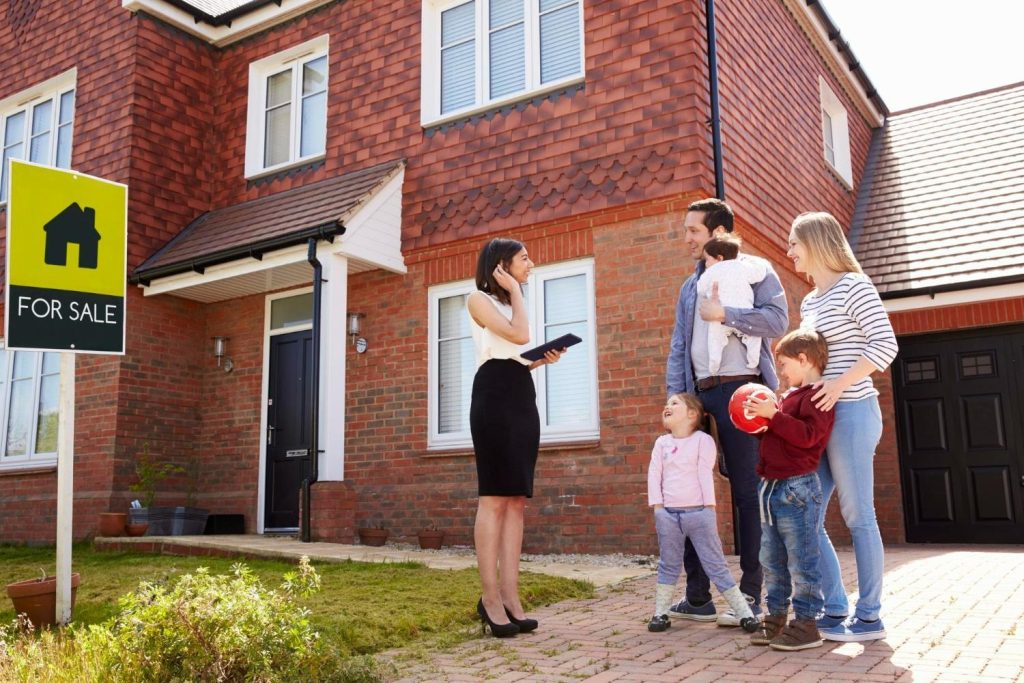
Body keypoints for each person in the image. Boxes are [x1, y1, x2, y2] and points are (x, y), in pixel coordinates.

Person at [666, 198, 789, 626]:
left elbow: (777, 321)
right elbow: (680, 344)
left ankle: (753, 592)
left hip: (742, 390)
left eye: (693, 231)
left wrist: (727, 314)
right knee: (690, 495)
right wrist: (677, 400)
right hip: (699, 396)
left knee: (746, 493)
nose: (687, 239)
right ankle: (697, 595)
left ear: (717, 233)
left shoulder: (756, 271)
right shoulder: (688, 286)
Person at [786, 212, 898, 643]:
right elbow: (814, 364)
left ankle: (869, 615)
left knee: (857, 515)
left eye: (795, 243)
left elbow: (884, 345)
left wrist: (838, 385)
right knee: (806, 515)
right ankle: (835, 607)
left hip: (852, 411)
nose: (791, 251)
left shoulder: (855, 286)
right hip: (819, 418)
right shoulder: (810, 301)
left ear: (815, 242)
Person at [467, 237, 565, 638]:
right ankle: (489, 598)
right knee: (493, 497)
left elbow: (518, 356)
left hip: (520, 396)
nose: (531, 264)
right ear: (501, 266)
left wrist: (542, 361)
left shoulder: (510, 303)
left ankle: (511, 596)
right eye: (524, 259)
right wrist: (516, 291)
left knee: (516, 500)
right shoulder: (477, 299)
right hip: (492, 397)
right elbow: (520, 337)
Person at [743, 329, 835, 651]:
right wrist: (760, 423)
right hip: (769, 487)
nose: (780, 372)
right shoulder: (787, 397)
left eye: (783, 364)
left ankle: (807, 622)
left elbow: (809, 436)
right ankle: (777, 616)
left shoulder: (818, 396)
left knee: (801, 558)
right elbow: (776, 436)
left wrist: (775, 417)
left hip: (797, 488)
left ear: (803, 358)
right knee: (772, 558)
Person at [646, 393, 758, 633]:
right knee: (669, 564)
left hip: (698, 513)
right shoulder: (661, 443)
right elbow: (654, 475)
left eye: (675, 403)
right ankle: (660, 613)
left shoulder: (702, 441)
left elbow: (704, 474)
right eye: (667, 403)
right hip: (668, 515)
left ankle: (744, 613)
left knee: (715, 564)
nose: (667, 406)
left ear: (692, 414)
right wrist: (658, 508)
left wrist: (709, 508)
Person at [699, 236, 769, 374]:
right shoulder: (742, 266)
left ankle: (714, 365)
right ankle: (753, 360)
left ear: (719, 258)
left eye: (707, 259)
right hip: (744, 314)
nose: (706, 264)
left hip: (719, 316)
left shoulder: (712, 271)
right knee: (754, 338)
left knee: (714, 341)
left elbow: (700, 288)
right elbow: (760, 273)